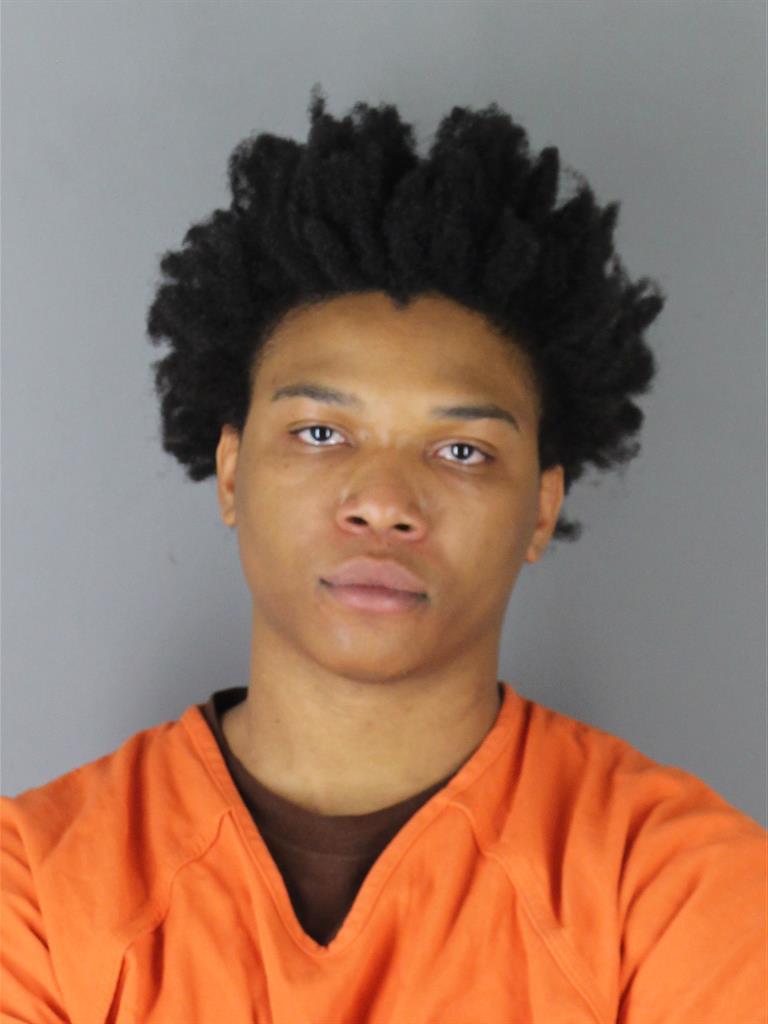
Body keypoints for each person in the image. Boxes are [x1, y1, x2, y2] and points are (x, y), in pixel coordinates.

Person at [2, 85, 765, 1023]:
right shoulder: (34, 891)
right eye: (321, 434)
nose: (384, 504)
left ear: (540, 509)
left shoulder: (680, 889)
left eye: (462, 451)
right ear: (232, 473)